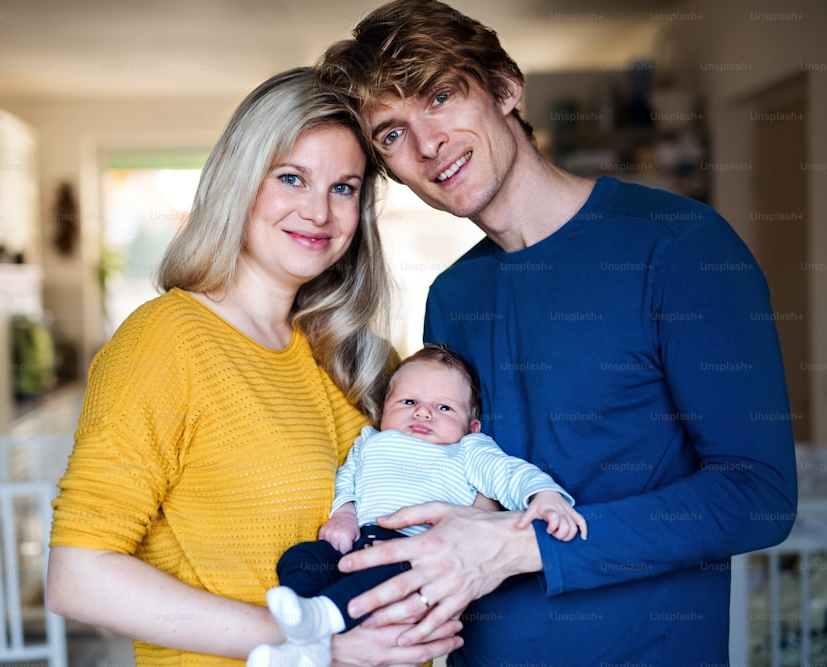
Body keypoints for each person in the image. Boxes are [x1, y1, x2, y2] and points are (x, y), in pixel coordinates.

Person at [313, 1, 799, 665]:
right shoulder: (453, 296)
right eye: (391, 134)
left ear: (506, 87)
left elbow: (757, 493)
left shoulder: (679, 246)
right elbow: (458, 480)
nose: (427, 144)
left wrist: (522, 543)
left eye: (442, 95)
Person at [46, 67, 462, 666]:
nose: (318, 212)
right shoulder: (164, 342)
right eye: (292, 178)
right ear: (239, 184)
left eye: (343, 188)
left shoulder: (355, 353)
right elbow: (78, 574)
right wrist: (320, 644)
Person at [248, 344, 586, 667]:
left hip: (418, 555)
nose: (423, 412)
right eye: (408, 401)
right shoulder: (371, 442)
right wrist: (344, 514)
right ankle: (307, 631)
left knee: (382, 577)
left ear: (472, 427)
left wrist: (544, 496)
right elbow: (346, 479)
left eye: (444, 408)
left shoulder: (468, 450)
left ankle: (317, 622)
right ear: (383, 413)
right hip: (357, 544)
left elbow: (510, 473)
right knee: (302, 558)